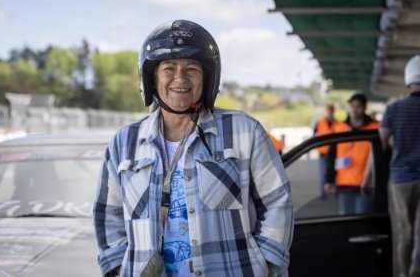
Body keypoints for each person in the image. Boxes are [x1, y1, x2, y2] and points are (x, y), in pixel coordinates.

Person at [93, 20, 293, 277]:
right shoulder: (124, 143)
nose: (180, 78)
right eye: (168, 68)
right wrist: (120, 268)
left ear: (207, 77)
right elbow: (107, 214)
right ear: (151, 77)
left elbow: (278, 203)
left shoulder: (244, 131)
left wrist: (266, 265)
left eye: (192, 68)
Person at [380, 54, 420, 277]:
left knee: (404, 232)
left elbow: (382, 141)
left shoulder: (394, 109)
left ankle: (402, 274)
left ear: (408, 79)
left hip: (400, 179)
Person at [324, 93, 379, 215]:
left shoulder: (375, 128)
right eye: (352, 105)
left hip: (365, 185)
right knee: (345, 222)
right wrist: (329, 179)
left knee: (362, 222)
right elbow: (331, 156)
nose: (354, 109)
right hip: (344, 185)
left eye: (358, 106)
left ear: (365, 108)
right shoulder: (339, 128)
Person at [313, 104, 338, 198]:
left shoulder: (338, 123)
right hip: (323, 153)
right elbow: (314, 135)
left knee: (334, 172)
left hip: (335, 153)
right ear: (326, 111)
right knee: (323, 173)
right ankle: (323, 193)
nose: (330, 112)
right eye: (329, 110)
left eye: (331, 110)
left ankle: (335, 192)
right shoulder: (319, 122)